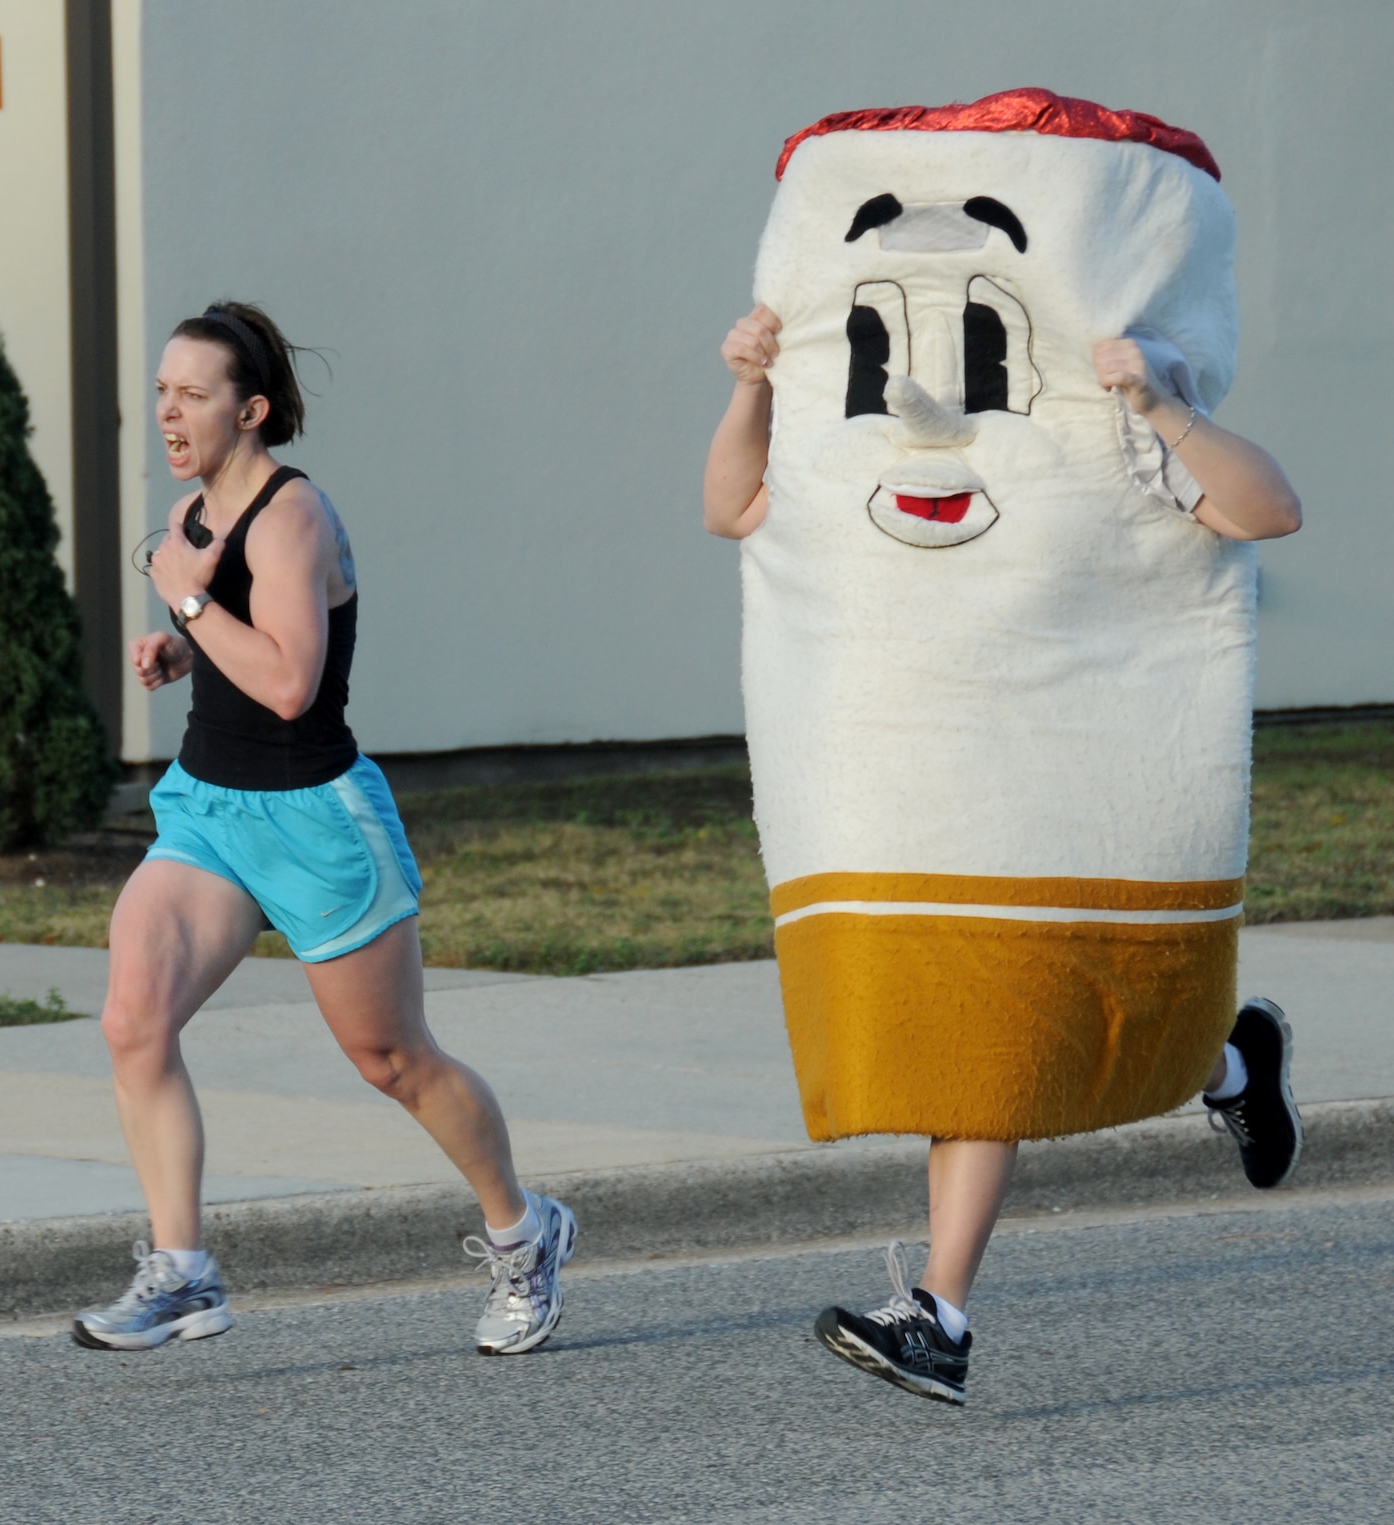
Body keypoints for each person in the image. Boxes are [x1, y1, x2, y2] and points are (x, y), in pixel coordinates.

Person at [705, 93, 1305, 1405]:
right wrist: (753, 384)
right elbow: (731, 505)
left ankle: (943, 1312)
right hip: (923, 757)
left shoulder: (1109, 429)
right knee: (997, 1030)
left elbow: (1272, 510)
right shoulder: (845, 434)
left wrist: (1157, 403)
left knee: (1017, 1033)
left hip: (1070, 753)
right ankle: (1221, 1062)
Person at [72, 301, 576, 1356]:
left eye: (191, 394)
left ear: (249, 410)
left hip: (314, 819)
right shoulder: (189, 521)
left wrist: (191, 609)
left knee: (392, 1058)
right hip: (208, 812)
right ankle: (182, 1271)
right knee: (132, 1021)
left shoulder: (292, 517)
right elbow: (236, 642)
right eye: (161, 390)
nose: (167, 411)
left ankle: (523, 1231)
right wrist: (183, 650)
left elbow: (296, 685)